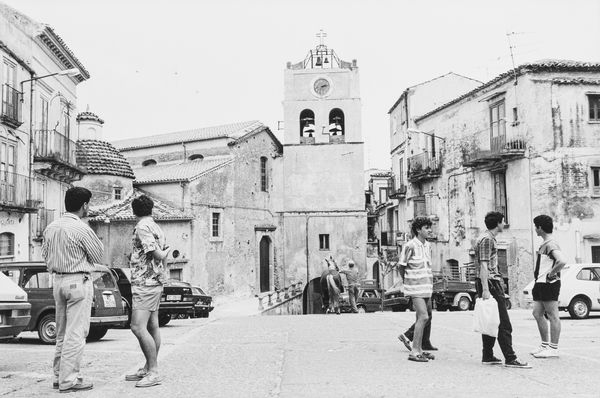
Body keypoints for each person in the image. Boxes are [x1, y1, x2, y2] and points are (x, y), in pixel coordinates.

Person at [42, 187, 104, 393]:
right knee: (76, 333)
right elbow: (97, 256)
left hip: (58, 280)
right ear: (84, 205)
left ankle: (59, 377)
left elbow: (45, 256)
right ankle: (69, 381)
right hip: (78, 281)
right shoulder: (82, 228)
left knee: (61, 333)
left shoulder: (51, 227)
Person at [475, 211, 530, 368]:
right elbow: (484, 265)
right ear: (498, 223)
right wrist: (486, 289)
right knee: (503, 322)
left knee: (490, 320)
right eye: (502, 221)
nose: (504, 223)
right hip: (490, 282)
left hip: (488, 282)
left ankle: (488, 355)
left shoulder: (486, 237)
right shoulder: (487, 239)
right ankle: (510, 358)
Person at [126, 195, 171, 388]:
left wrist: (165, 252)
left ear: (133, 211)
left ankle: (153, 371)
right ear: (151, 209)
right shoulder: (156, 227)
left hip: (145, 282)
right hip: (155, 281)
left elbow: (157, 253)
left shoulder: (143, 227)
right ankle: (147, 367)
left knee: (137, 327)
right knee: (152, 326)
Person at [398, 217, 435, 362]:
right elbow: (401, 266)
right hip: (416, 287)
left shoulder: (428, 245)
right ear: (418, 230)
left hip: (426, 286)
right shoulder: (410, 246)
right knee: (424, 316)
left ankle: (419, 349)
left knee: (422, 316)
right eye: (426, 228)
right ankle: (414, 351)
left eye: (429, 227)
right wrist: (408, 282)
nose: (429, 230)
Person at [530, 215, 566, 358]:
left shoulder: (551, 244)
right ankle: (544, 345)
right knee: (537, 313)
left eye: (536, 227)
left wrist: (551, 273)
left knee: (553, 316)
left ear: (540, 228)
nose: (535, 229)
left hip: (548, 284)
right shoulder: (546, 243)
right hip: (540, 283)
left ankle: (553, 348)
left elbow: (562, 261)